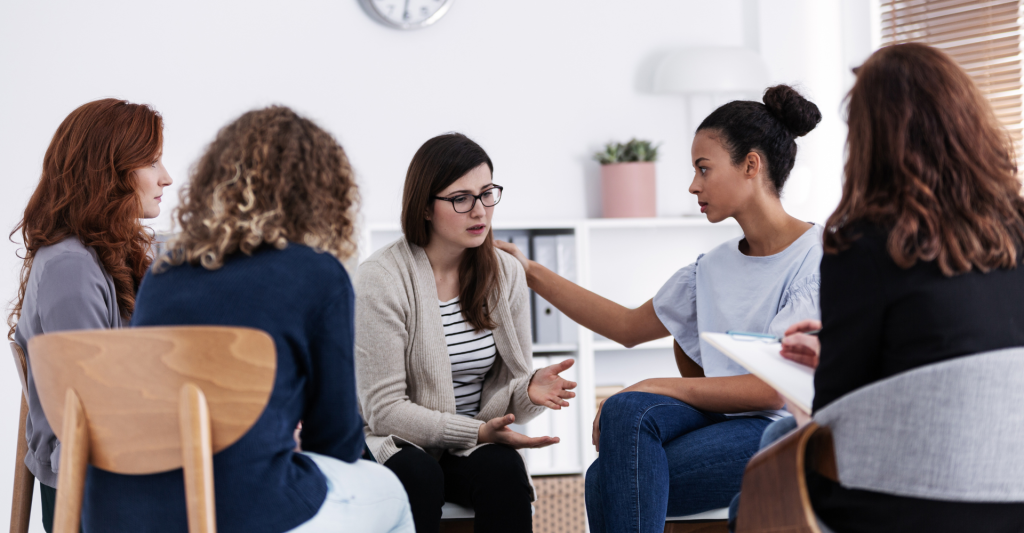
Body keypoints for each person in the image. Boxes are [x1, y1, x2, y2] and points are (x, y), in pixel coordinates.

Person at [496, 85, 823, 533]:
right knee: (622, 414)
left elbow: (772, 391)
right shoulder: (711, 269)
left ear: (751, 165)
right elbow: (626, 325)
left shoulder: (816, 258)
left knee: (602, 479)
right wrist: (529, 272)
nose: (693, 185)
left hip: (781, 431)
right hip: (714, 420)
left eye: (704, 169)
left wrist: (652, 384)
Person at [82, 106, 413, 533]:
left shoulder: (165, 274)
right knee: (390, 491)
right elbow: (335, 441)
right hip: (246, 510)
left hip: (128, 509)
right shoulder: (318, 274)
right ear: (321, 193)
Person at [739, 43, 1024, 533]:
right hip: (1013, 495)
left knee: (766, 466)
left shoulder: (863, 242)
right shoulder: (1015, 230)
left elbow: (832, 418)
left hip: (906, 503)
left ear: (871, 140)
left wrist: (823, 369)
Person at [356, 133, 578, 533]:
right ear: (425, 206)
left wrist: (527, 392)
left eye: (487, 193)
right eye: (461, 198)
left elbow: (509, 398)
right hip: (394, 441)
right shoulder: (381, 279)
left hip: (468, 441)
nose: (480, 211)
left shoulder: (506, 272)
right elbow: (384, 410)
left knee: (504, 468)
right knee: (421, 476)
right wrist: (475, 430)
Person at [7, 98, 171, 533]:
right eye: (151, 162)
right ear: (110, 171)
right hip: (95, 492)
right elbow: (94, 409)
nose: (166, 177)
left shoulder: (113, 250)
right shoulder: (72, 266)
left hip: (117, 475)